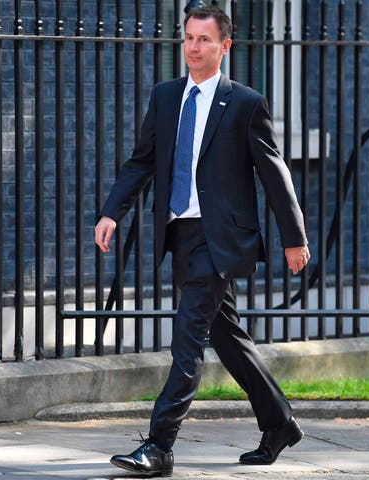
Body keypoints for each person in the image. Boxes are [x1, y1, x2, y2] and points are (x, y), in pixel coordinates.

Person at [94, 5, 310, 477]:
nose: (194, 47)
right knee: (227, 336)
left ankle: (159, 445)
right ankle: (279, 423)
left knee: (187, 338)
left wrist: (294, 238)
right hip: (181, 233)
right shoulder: (167, 96)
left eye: (204, 40)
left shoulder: (245, 103)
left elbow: (274, 174)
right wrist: (112, 211)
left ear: (224, 46)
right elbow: (141, 161)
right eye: (189, 38)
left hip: (222, 240)